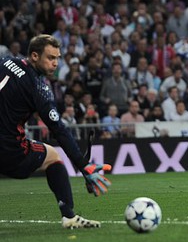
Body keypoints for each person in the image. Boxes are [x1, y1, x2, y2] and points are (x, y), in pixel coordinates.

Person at [0, 35, 111, 229]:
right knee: (53, 156)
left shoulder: (6, 61)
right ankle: (69, 216)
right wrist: (84, 166)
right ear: (34, 56)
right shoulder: (38, 88)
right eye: (50, 58)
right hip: (9, 150)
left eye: (58, 58)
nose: (55, 63)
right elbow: (59, 130)